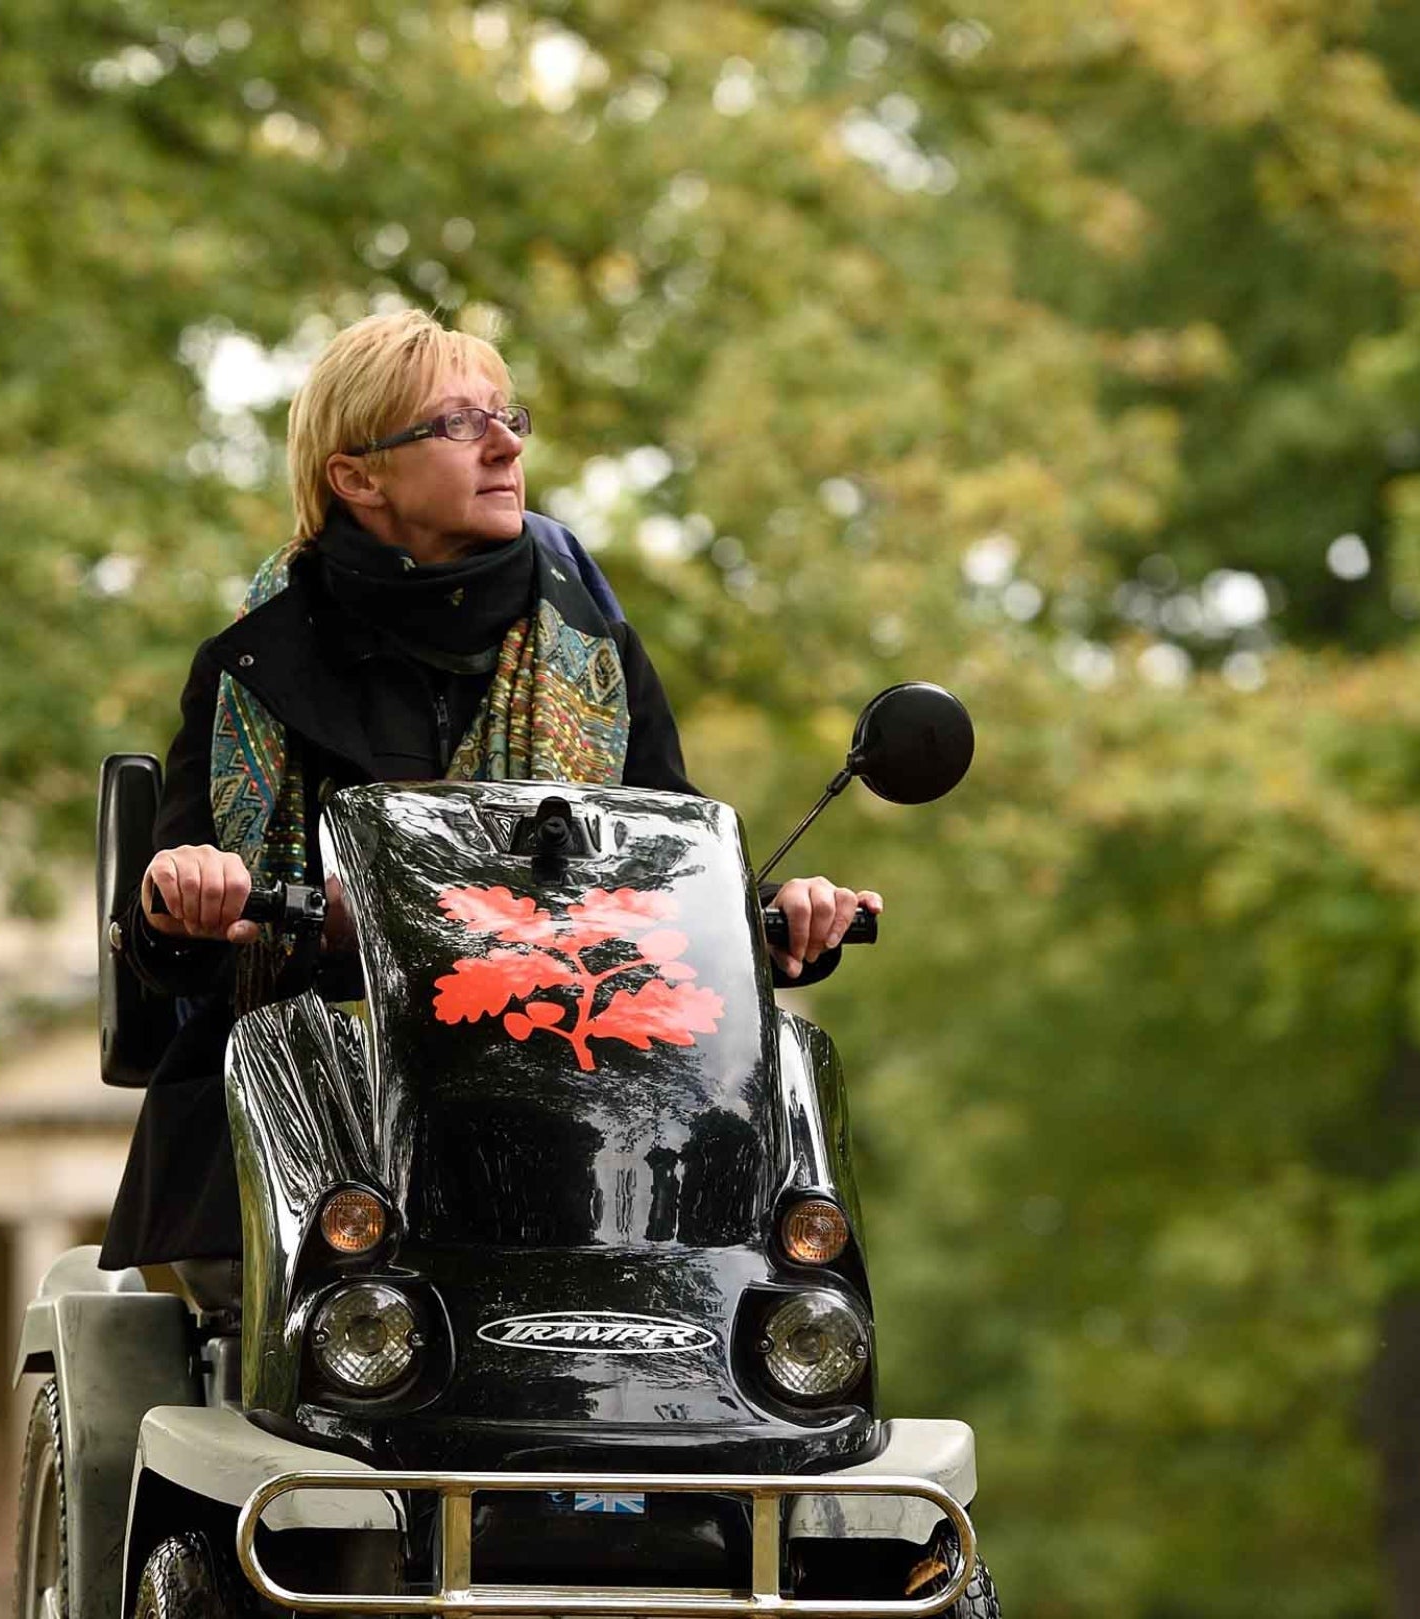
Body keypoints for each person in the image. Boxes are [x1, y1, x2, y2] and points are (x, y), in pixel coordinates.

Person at [94, 308, 879, 1298]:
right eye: (460, 424)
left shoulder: (598, 658)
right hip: (317, 1109)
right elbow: (165, 949)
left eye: (508, 416)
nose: (507, 443)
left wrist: (785, 921)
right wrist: (183, 891)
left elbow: (671, 886)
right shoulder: (252, 667)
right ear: (359, 475)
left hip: (588, 1127)